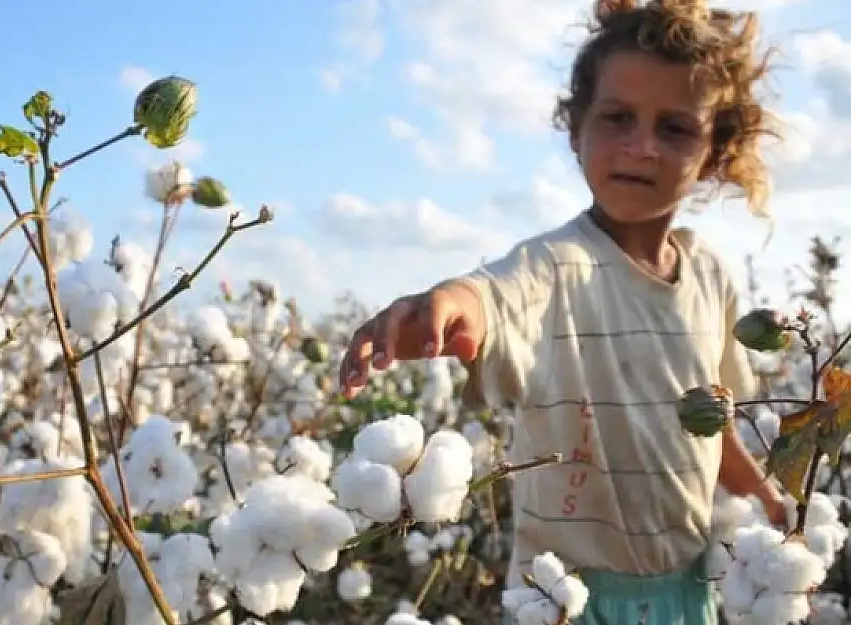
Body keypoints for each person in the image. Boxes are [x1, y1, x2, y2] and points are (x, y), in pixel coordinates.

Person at [337, 0, 789, 623]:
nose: (641, 146)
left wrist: (766, 496)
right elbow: (494, 295)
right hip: (562, 601)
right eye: (617, 118)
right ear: (576, 130)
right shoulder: (556, 266)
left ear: (713, 152)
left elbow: (719, 429)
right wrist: (444, 307)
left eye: (675, 128)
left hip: (687, 592)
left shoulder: (712, 276)